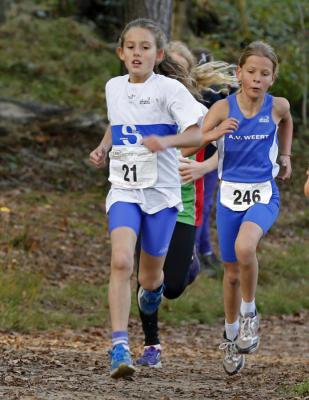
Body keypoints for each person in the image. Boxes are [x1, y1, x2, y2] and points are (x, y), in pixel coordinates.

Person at [143, 40, 293, 375]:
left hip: (264, 195)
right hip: (228, 199)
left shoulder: (277, 107)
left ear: (272, 78)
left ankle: (250, 314)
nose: (257, 78)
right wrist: (214, 137)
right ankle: (229, 335)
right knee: (231, 275)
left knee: (245, 247)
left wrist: (285, 156)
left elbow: (286, 123)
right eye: (251, 71)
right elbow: (191, 146)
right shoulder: (223, 109)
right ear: (239, 73)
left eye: (264, 73)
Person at [89, 19, 206, 379]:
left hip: (163, 195)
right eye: (131, 47)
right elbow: (120, 122)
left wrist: (165, 143)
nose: (137, 53)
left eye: (145, 48)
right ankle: (119, 346)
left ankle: (150, 297)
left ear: (158, 54)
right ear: (120, 53)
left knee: (150, 279)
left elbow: (198, 133)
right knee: (121, 261)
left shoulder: (170, 90)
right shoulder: (113, 87)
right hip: (124, 190)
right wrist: (103, 147)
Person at [136, 41, 237, 368]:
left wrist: (203, 163)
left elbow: (227, 145)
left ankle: (189, 265)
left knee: (174, 285)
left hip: (183, 203)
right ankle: (151, 342)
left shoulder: (203, 108)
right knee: (147, 279)